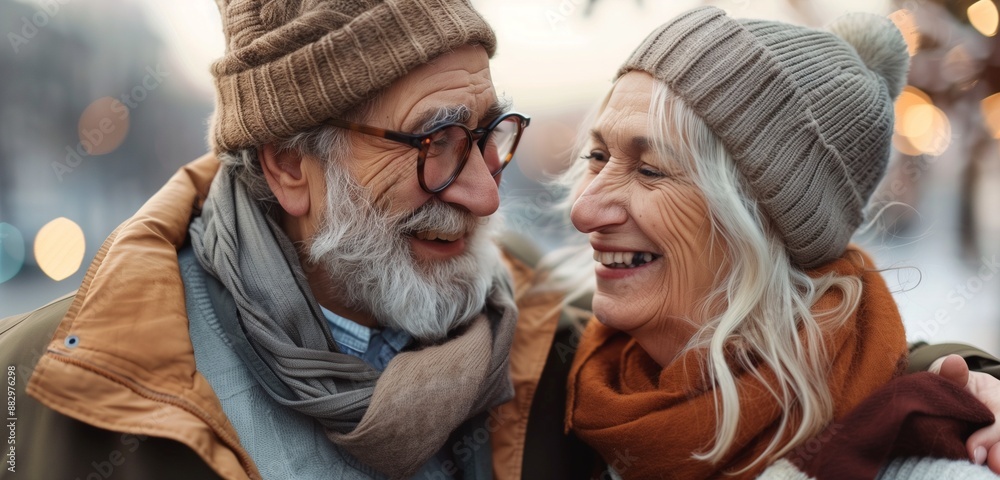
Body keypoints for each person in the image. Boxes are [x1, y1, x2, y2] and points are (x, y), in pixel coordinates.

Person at [0, 2, 996, 479]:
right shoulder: (48, 395)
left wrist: (963, 382)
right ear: (289, 167)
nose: (484, 192)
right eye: (436, 141)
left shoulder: (552, 348)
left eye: (490, 134)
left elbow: (772, 352)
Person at [558, 6, 1000, 479]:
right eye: (597, 156)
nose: (583, 210)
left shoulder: (923, 462)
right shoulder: (544, 382)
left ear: (763, 225)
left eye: (650, 170)